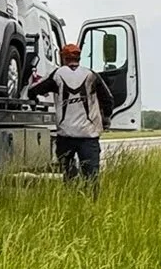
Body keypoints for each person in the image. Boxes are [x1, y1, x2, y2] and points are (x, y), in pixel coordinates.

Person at [27, 43, 113, 189]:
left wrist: (33, 98)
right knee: (91, 177)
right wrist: (105, 120)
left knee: (68, 173)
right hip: (88, 136)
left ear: (63, 58)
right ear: (79, 57)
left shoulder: (58, 75)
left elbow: (35, 89)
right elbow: (108, 99)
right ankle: (92, 202)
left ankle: (71, 197)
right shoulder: (91, 75)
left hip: (65, 135)